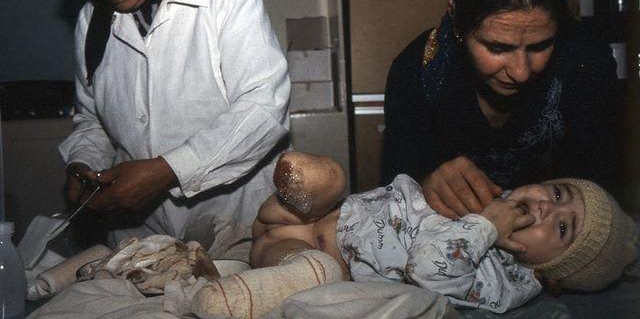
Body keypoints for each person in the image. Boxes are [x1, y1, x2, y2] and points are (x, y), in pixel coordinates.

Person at [50, 0, 290, 248]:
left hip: (235, 228)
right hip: (142, 237)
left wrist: (167, 171)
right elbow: (93, 119)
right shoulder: (91, 21)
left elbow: (264, 107)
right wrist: (83, 163)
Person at [382, 0, 622, 220]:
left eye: (540, 45)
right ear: (457, 22)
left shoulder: (586, 64)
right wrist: (421, 187)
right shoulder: (416, 72)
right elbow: (388, 202)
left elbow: (601, 198)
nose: (520, 71)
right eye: (497, 47)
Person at [240, 151, 637, 315]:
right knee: (330, 177)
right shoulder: (489, 197)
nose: (547, 208)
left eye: (563, 228)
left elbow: (428, 269)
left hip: (321, 257)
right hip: (321, 214)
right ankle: (294, 196)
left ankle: (253, 282)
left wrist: (486, 228)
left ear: (549, 274)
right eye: (558, 193)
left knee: (314, 276)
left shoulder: (500, 282)